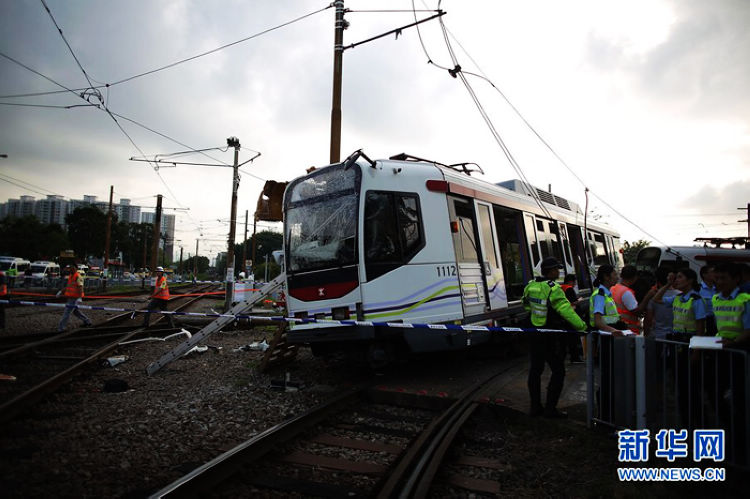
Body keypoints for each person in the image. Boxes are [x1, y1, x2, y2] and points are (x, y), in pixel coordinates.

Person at [523, 257, 587, 418]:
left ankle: (535, 407)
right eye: (557, 269)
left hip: (534, 332)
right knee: (558, 371)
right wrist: (583, 327)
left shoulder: (530, 286)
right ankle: (550, 409)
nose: (558, 272)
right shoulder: (553, 288)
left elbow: (525, 304)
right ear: (550, 271)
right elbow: (566, 311)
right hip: (551, 334)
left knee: (535, 370)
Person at [652, 268, 707, 341]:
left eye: (680, 277)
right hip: (677, 338)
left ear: (690, 280)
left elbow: (700, 326)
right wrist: (668, 284)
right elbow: (656, 299)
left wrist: (696, 348)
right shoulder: (677, 297)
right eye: (676, 277)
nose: (676, 280)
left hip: (690, 339)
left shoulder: (696, 300)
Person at [712, 263, 750, 348]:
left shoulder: (746, 300)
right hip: (721, 344)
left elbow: (748, 329)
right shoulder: (715, 299)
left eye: (723, 278)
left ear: (736, 279)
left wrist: (733, 342)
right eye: (717, 278)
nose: (719, 282)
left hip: (740, 346)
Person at [610, 265, 654, 334]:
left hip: (617, 328)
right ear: (635, 277)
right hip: (628, 331)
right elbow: (637, 312)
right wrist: (648, 297)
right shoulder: (627, 293)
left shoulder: (613, 288)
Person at [589, 264, 628, 334]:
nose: (617, 278)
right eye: (615, 275)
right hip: (606, 336)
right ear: (606, 277)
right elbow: (598, 322)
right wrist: (614, 331)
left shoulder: (606, 294)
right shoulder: (600, 295)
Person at [643, 267, 679, 339]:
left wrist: (646, 335)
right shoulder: (680, 295)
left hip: (658, 335)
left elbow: (648, 319)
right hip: (676, 335)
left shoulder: (653, 296)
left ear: (657, 280)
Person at [57, 264, 92, 332]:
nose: (70, 269)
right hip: (71, 297)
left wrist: (79, 297)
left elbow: (80, 287)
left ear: (75, 268)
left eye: (71, 268)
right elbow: (68, 286)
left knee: (67, 312)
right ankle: (87, 321)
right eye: (69, 268)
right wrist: (61, 291)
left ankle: (61, 328)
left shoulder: (78, 276)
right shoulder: (71, 276)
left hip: (74, 298)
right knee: (76, 312)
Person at [560, 273, 584, 363]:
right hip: (571, 315)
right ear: (570, 281)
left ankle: (568, 356)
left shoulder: (561, 288)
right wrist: (580, 300)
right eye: (574, 282)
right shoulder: (569, 289)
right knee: (574, 338)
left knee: (568, 338)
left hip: (564, 315)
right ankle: (575, 357)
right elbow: (573, 302)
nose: (575, 284)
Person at [699, 265, 717, 335]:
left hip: (716, 321)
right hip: (704, 320)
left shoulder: (717, 289)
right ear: (704, 275)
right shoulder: (699, 289)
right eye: (712, 272)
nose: (715, 274)